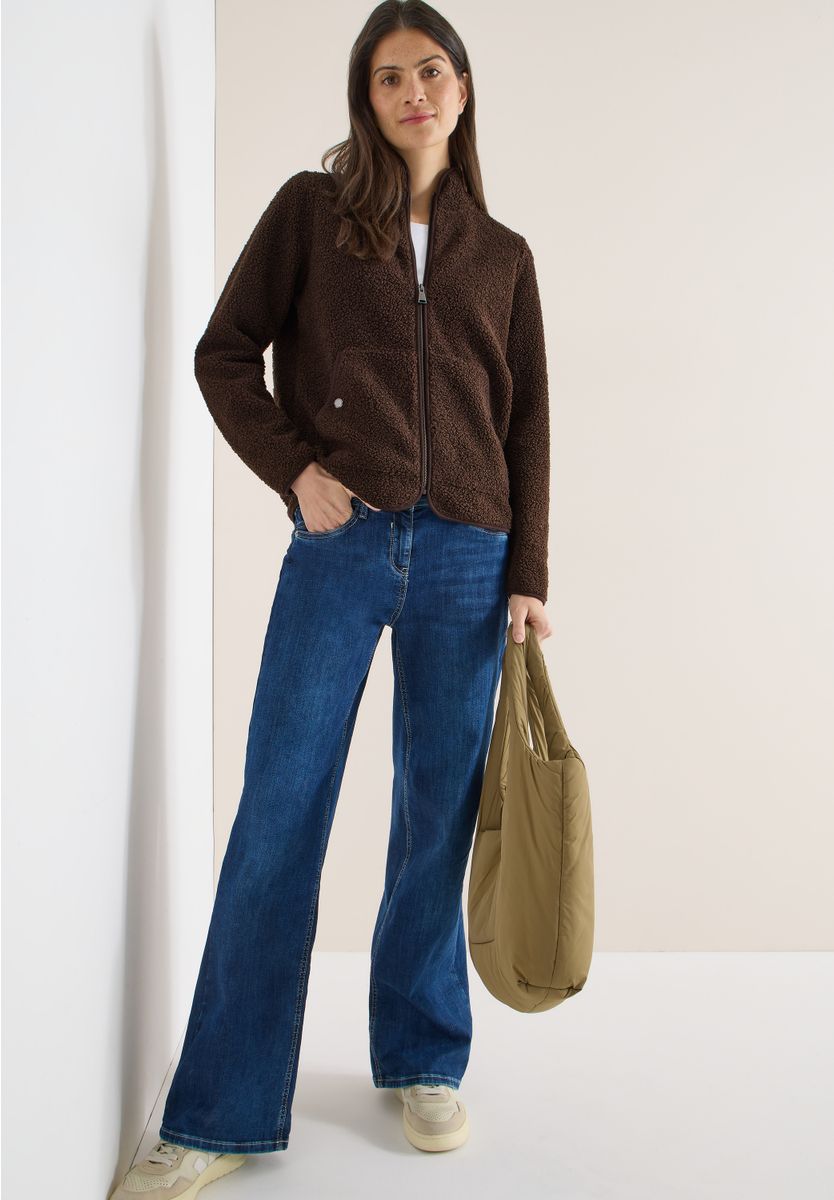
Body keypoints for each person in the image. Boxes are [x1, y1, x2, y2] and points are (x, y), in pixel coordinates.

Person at [110, 1, 552, 1195]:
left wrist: (528, 576)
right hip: (342, 543)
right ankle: (218, 1111)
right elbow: (223, 352)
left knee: (437, 816)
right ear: (366, 97)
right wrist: (295, 470)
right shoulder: (313, 213)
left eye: (431, 71)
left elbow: (526, 424)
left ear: (463, 88)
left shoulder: (503, 255)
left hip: (469, 557)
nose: (413, 92)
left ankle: (423, 1056)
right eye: (388, 76)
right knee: (280, 812)